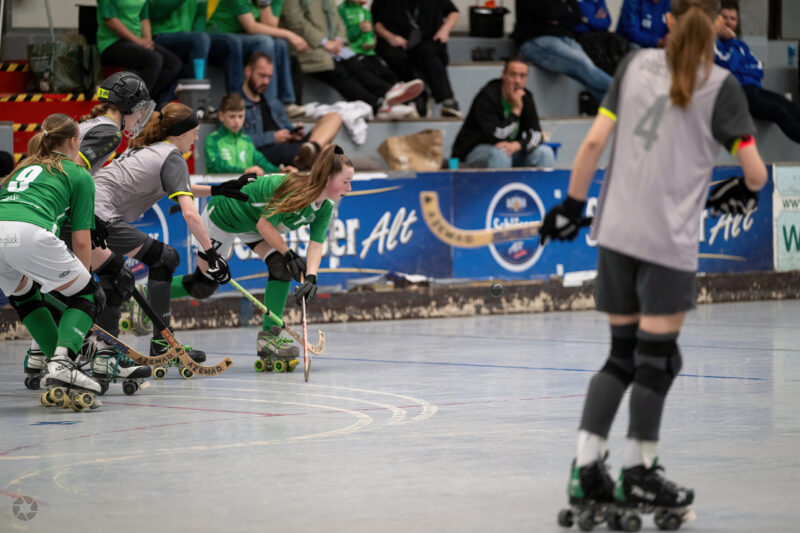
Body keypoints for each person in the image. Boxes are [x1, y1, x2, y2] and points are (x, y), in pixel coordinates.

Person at [541, 0, 767, 524]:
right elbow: (755, 172)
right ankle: (640, 470)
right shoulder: (722, 85)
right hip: (667, 245)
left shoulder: (634, 65)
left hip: (616, 236)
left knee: (622, 356)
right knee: (657, 360)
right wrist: (740, 188)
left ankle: (586, 467)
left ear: (668, 19)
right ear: (717, 23)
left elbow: (593, 143)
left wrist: (570, 206)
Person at [23, 72, 156, 391]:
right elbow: (72, 172)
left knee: (62, 283)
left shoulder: (89, 124)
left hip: (46, 211)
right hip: (61, 214)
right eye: (138, 110)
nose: (140, 118)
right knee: (114, 278)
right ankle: (106, 358)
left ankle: (40, 353)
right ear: (126, 106)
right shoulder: (109, 132)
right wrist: (88, 219)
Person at [89, 103, 250, 360]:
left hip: (85, 209)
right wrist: (211, 253)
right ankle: (162, 343)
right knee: (165, 258)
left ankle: (104, 352)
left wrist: (216, 189)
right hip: (99, 215)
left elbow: (178, 185)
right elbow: (190, 213)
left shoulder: (151, 148)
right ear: (180, 133)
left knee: (115, 278)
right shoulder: (172, 156)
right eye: (194, 133)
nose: (196, 139)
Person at [199, 145, 352, 366]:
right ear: (327, 179)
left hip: (252, 221)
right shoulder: (296, 191)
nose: (349, 187)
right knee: (202, 285)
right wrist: (288, 253)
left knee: (281, 267)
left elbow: (316, 244)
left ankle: (268, 340)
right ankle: (153, 297)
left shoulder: (325, 206)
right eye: (345, 181)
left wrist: (311, 277)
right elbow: (264, 225)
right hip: (227, 213)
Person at [0, 114, 104, 397]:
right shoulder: (79, 174)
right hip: (28, 232)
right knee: (89, 295)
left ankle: (54, 364)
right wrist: (82, 291)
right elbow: (81, 241)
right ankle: (63, 362)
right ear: (73, 141)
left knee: (25, 296)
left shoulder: (25, 166)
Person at [280, 0, 422, 119]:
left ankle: (387, 94)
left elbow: (337, 20)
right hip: (306, 46)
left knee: (356, 62)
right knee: (339, 72)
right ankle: (380, 103)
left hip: (332, 46)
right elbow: (295, 20)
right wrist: (324, 42)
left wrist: (339, 39)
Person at [715, 0, 800, 144]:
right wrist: (732, 43)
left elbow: (758, 67)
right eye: (724, 17)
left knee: (790, 106)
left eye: (733, 19)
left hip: (753, 89)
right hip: (736, 93)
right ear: (716, 19)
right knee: (778, 111)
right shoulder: (714, 43)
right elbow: (728, 66)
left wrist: (742, 70)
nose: (728, 22)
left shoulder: (741, 45)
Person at [241, 52, 342, 170]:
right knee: (327, 151)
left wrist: (294, 134)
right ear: (248, 71)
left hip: (291, 146)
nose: (266, 82)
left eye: (269, 77)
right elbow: (237, 140)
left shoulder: (273, 102)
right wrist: (273, 137)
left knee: (334, 116)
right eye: (262, 76)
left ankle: (311, 148)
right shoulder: (237, 104)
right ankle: (310, 152)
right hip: (268, 150)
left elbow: (287, 127)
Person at [451, 58, 555, 169]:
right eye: (513, 75)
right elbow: (497, 136)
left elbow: (537, 134)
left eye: (522, 76)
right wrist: (516, 111)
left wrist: (518, 145)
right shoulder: (487, 96)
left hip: (509, 151)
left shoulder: (526, 97)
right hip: (476, 152)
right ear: (504, 75)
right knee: (500, 154)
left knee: (545, 153)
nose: (517, 81)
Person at [371, 0, 461, 118]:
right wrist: (390, 37)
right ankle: (416, 96)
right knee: (393, 55)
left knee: (428, 53)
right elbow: (376, 22)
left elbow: (453, 12)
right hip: (395, 41)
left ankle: (447, 100)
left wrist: (445, 30)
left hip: (427, 40)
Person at [338, 0, 424, 119]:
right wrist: (358, 29)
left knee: (386, 73)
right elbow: (342, 34)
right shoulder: (342, 10)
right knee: (367, 71)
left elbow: (370, 34)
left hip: (368, 51)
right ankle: (387, 101)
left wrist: (371, 41)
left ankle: (399, 100)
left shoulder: (365, 11)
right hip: (353, 51)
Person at [513, 0, 611, 103]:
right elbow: (548, 12)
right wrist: (565, 10)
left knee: (589, 73)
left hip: (567, 39)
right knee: (583, 66)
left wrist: (558, 16)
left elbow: (577, 16)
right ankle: (620, 88)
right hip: (537, 40)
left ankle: (617, 103)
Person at [207, 0, 299, 106]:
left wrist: (264, 2)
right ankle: (268, 105)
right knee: (264, 42)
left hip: (245, 39)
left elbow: (270, 26)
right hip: (221, 36)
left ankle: (286, 103)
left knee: (280, 44)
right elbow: (251, 27)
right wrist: (289, 35)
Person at [96, 0, 182, 107]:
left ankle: (147, 101)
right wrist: (137, 40)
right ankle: (134, 105)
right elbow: (111, 20)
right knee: (154, 59)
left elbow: (144, 19)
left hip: (136, 42)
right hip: (111, 43)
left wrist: (148, 41)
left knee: (173, 64)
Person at [149, 0, 244, 97]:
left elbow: (201, 14)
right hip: (162, 34)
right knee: (200, 39)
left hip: (189, 37)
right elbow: (156, 12)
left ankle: (234, 100)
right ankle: (199, 96)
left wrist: (196, 34)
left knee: (231, 41)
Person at [205, 92, 281, 175]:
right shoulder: (212, 139)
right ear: (221, 116)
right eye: (232, 116)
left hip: (245, 183)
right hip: (221, 183)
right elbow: (216, 166)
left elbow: (262, 163)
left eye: (240, 116)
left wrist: (281, 171)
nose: (237, 121)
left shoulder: (247, 140)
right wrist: (245, 171)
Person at [574, 0, 632, 76]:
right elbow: (575, 20)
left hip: (600, 35)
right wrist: (594, 19)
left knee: (619, 44)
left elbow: (607, 22)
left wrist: (586, 19)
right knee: (600, 55)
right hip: (581, 35)